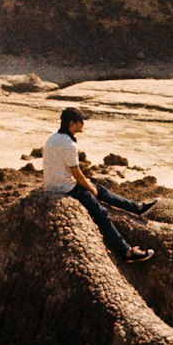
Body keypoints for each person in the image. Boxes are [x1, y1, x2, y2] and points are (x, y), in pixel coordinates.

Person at [42, 106, 155, 263]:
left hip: (53, 183)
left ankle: (136, 208)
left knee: (100, 189)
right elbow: (76, 173)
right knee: (101, 213)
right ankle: (126, 252)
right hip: (64, 188)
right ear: (72, 123)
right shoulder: (68, 144)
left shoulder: (53, 137)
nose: (83, 124)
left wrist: (92, 187)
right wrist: (89, 188)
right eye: (81, 121)